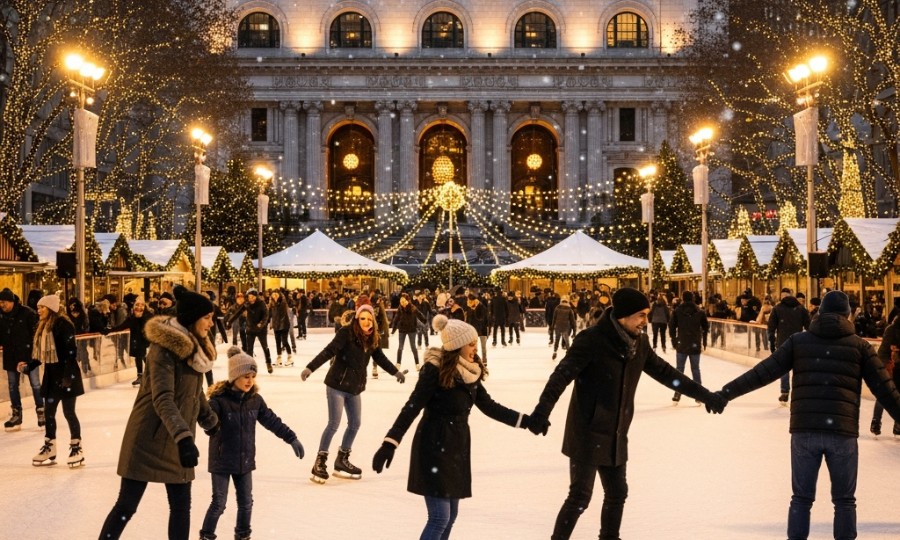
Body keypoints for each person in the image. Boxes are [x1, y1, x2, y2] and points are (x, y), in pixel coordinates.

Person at [525, 287, 726, 540]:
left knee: (617, 492)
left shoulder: (639, 344)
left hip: (617, 431)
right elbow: (560, 376)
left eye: (647, 315)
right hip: (587, 430)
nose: (645, 321)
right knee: (580, 497)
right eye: (641, 315)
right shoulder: (592, 340)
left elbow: (667, 374)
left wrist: (705, 395)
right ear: (623, 315)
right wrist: (541, 412)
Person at [717, 290, 900, 540]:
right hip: (842, 432)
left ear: (819, 312)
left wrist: (726, 393)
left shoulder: (798, 341)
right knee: (844, 501)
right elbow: (886, 391)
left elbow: (763, 372)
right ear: (848, 315)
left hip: (804, 431)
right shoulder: (860, 346)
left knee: (801, 499)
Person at [372, 314, 533, 539]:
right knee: (439, 518)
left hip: (456, 447)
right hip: (433, 444)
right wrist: (390, 443)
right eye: (471, 343)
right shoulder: (434, 370)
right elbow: (412, 407)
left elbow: (490, 407)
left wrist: (527, 421)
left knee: (451, 515)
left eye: (475, 343)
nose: (475, 348)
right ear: (457, 345)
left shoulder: (471, 372)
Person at [98, 285, 219, 540]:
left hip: (177, 436)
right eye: (207, 317)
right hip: (148, 436)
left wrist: (210, 421)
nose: (211, 323)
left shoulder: (195, 349)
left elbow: (193, 391)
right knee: (127, 505)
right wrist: (184, 438)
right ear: (192, 318)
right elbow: (163, 397)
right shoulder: (163, 350)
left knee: (181, 507)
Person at [199, 346, 305, 540]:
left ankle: (243, 535)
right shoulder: (218, 401)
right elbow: (208, 423)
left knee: (246, 503)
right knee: (219, 503)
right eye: (246, 376)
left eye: (253, 376)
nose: (250, 381)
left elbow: (272, 420)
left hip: (244, 460)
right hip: (222, 460)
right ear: (234, 376)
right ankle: (206, 536)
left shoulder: (255, 400)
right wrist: (208, 423)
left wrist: (291, 438)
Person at [301, 303, 406, 484]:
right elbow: (329, 351)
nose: (366, 322)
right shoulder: (346, 333)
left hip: (355, 388)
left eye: (369, 319)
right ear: (357, 318)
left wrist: (395, 372)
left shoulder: (371, 338)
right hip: (337, 385)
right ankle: (320, 462)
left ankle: (342, 460)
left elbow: (380, 358)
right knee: (333, 424)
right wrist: (310, 367)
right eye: (363, 318)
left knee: (355, 424)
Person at [18, 294, 83, 467]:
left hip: (66, 374)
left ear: (51, 308)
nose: (38, 311)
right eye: (38, 308)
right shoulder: (43, 326)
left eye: (42, 308)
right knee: (49, 413)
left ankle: (76, 447)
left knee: (69, 413)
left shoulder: (64, 324)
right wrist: (29, 366)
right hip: (52, 375)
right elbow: (41, 355)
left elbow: (71, 352)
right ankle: (50, 447)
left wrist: (68, 376)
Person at [0, 287, 43, 431]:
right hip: (11, 356)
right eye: (0, 302)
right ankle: (16, 415)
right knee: (13, 385)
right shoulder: (1, 316)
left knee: (35, 384)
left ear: (12, 301)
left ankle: (41, 412)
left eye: (4, 302)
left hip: (29, 356)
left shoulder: (27, 313)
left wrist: (30, 355)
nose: (2, 305)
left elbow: (37, 335)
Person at [767, 287, 810, 405]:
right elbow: (809, 327)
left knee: (784, 368)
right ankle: (798, 393)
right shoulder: (801, 309)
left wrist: (772, 343)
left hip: (783, 343)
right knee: (798, 368)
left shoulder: (777, 309)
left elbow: (771, 328)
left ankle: (785, 392)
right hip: (798, 343)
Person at [668, 290, 709, 403]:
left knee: (679, 370)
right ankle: (699, 394)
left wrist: (674, 341)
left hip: (682, 344)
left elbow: (671, 327)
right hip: (695, 344)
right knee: (695, 369)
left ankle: (677, 393)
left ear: (682, 298)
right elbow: (706, 327)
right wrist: (704, 342)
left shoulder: (677, 311)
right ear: (693, 298)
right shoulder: (700, 312)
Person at [107, 295, 153, 387]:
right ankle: (140, 375)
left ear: (145, 307)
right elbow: (122, 326)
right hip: (136, 341)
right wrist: (110, 330)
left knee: (144, 357)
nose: (139, 308)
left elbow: (152, 327)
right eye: (137, 305)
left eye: (141, 305)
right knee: (138, 357)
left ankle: (151, 374)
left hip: (146, 341)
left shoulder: (148, 316)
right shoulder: (132, 318)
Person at [870, 314, 900, 437]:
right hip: (891, 366)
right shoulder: (893, 331)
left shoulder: (890, 329)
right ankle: (893, 424)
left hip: (888, 365)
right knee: (890, 393)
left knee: (886, 394)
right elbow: (887, 351)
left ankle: (877, 422)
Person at [391, 293, 425, 369]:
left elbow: (419, 314)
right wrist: (393, 330)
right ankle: (398, 363)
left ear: (407, 301)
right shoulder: (400, 309)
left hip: (411, 330)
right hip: (402, 330)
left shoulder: (412, 307)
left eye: (403, 301)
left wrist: (425, 321)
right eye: (401, 301)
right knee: (400, 347)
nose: (402, 303)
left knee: (413, 347)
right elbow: (396, 319)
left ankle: (417, 364)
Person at [244, 289, 273, 374]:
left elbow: (266, 315)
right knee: (249, 349)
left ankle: (268, 363)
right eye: (249, 297)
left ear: (256, 297)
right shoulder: (246, 304)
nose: (251, 299)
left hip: (261, 330)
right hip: (250, 329)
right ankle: (250, 366)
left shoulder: (261, 303)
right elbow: (238, 312)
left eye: (252, 297)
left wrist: (261, 323)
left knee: (265, 347)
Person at [269, 290, 293, 367]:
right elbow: (271, 314)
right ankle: (279, 358)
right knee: (278, 342)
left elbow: (281, 313)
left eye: (276, 295)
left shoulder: (283, 302)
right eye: (273, 295)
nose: (275, 297)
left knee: (284, 341)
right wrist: (271, 323)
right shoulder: (272, 303)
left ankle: (290, 358)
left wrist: (276, 302)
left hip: (284, 325)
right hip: (276, 325)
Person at [464, 293, 490, 364]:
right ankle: (475, 360)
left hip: (482, 329)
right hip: (473, 330)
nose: (468, 301)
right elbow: (468, 319)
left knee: (483, 346)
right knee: (473, 347)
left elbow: (485, 318)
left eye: (469, 300)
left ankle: (484, 360)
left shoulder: (481, 306)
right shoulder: (469, 307)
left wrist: (487, 328)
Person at [550, 297, 576, 361]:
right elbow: (572, 321)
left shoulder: (557, 308)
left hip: (558, 326)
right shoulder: (569, 309)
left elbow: (554, 318)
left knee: (557, 339)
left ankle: (555, 351)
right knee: (566, 341)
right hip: (566, 326)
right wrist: (574, 330)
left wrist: (552, 326)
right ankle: (569, 353)